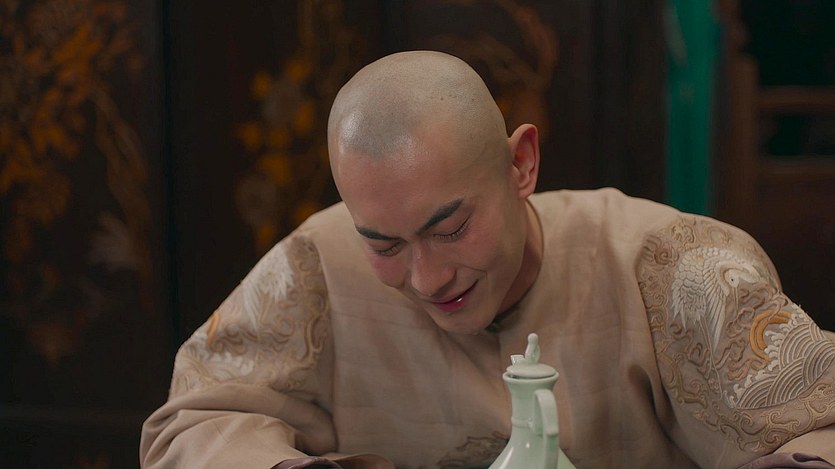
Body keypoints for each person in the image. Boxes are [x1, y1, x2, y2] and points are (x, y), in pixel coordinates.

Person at [140, 51, 835, 469]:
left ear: (520, 164)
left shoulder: (672, 264)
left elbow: (818, 426)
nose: (426, 278)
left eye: (450, 227)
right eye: (384, 243)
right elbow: (193, 423)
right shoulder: (317, 266)